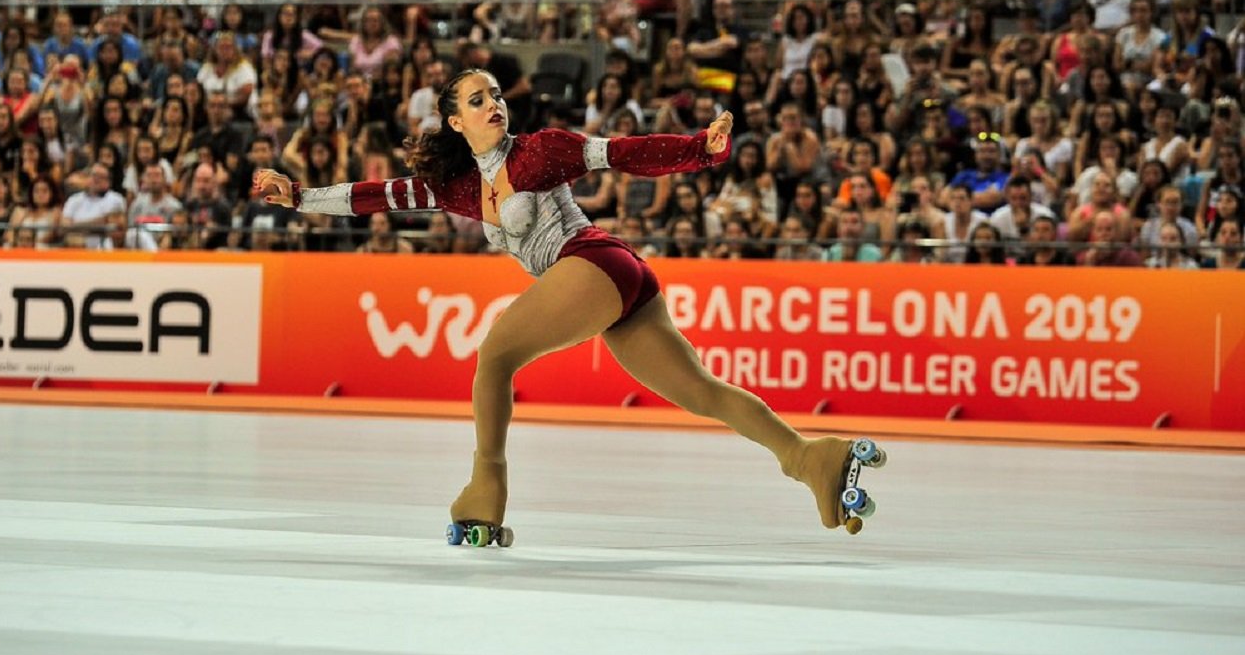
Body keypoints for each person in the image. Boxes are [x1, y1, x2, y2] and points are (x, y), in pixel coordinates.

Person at [253, 68, 881, 535]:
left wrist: (698, 149)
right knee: (702, 392)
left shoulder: (538, 152)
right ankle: (808, 457)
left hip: (594, 262)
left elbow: (622, 154)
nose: (493, 104)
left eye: (497, 95)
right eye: (478, 101)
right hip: (619, 281)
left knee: (494, 355)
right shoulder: (459, 189)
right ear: (455, 122)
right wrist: (300, 197)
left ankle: (485, 488)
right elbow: (376, 196)